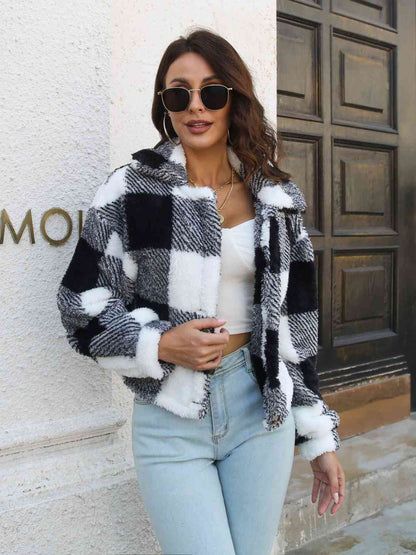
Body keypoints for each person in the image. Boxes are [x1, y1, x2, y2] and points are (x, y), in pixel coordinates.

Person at [57, 28, 345, 555]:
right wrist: (160, 344)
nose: (196, 106)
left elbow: (295, 332)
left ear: (234, 99)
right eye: (178, 93)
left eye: (211, 92)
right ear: (163, 104)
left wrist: (317, 438)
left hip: (261, 410)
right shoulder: (132, 187)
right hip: (171, 416)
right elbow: (79, 303)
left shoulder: (277, 198)